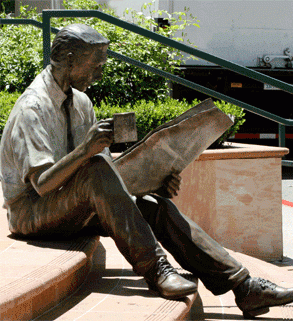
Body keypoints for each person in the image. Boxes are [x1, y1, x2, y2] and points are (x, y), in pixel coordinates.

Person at [0, 23, 292, 319]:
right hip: (31, 212)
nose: (99, 75)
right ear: (71, 58)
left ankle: (244, 285)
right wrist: (84, 151)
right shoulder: (32, 108)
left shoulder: (81, 102)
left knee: (154, 205)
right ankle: (156, 268)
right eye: (95, 66)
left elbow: (105, 180)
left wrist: (149, 179)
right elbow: (43, 184)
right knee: (96, 169)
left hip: (68, 204)